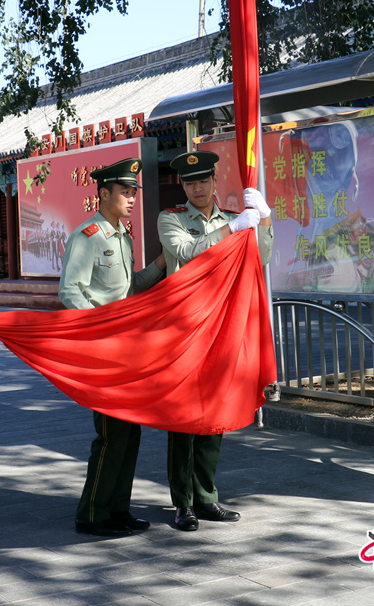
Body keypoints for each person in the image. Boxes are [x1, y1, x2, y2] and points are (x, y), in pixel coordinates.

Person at [156, 150, 274, 532]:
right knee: (184, 418)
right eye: (191, 183)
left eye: (204, 180)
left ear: (213, 181)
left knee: (214, 415)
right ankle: (183, 503)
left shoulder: (230, 220)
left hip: (221, 327)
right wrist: (233, 228)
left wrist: (265, 219)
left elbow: (262, 257)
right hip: (185, 329)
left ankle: (207, 498)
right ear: (184, 186)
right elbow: (188, 254)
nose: (199, 188)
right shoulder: (170, 220)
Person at [58, 157, 167, 537]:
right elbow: (70, 291)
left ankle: (118, 508)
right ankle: (91, 513)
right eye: (125, 191)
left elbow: (129, 288)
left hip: (127, 347)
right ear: (103, 194)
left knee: (130, 431)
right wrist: (100, 328)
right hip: (104, 347)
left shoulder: (122, 235)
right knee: (110, 432)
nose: (132, 197)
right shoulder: (87, 235)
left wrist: (159, 265)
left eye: (134, 191)